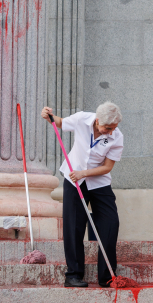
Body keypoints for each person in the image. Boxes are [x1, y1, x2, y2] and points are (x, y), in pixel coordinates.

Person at [41, 102, 123, 288]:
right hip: (74, 180)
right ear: (97, 121)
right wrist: (49, 116)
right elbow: (60, 122)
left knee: (111, 223)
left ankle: (107, 276)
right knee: (74, 226)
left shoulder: (117, 137)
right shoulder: (81, 119)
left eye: (114, 128)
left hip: (98, 182)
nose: (111, 132)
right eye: (107, 128)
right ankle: (73, 275)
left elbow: (107, 167)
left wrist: (83, 173)